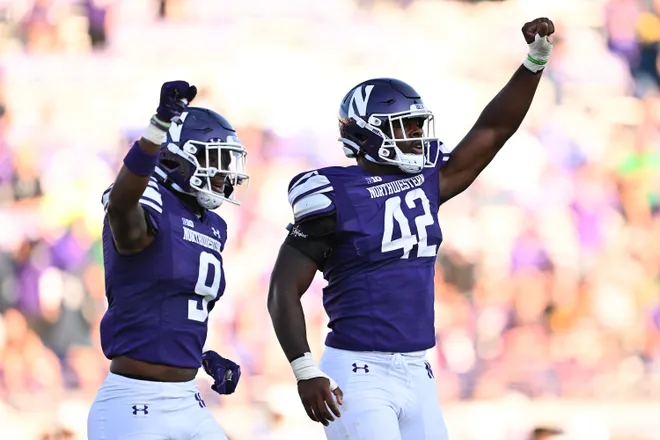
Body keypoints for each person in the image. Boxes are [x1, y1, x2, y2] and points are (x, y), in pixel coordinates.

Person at [267, 18, 555, 440]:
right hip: (358, 370)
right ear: (368, 133)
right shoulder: (336, 195)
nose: (419, 136)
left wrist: (533, 62)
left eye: (419, 125)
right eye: (408, 127)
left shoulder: (426, 178)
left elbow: (494, 131)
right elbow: (282, 288)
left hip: (418, 367)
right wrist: (303, 369)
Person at [87, 81, 248, 440]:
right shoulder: (147, 199)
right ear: (177, 157)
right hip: (134, 404)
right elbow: (122, 205)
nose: (225, 175)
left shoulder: (213, 225)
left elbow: (167, 306)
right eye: (215, 161)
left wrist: (198, 356)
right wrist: (157, 126)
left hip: (188, 399)